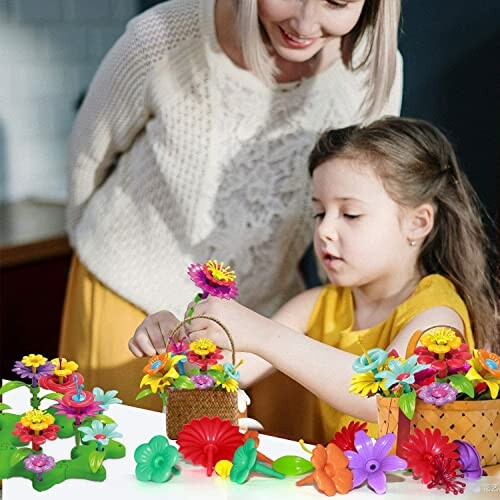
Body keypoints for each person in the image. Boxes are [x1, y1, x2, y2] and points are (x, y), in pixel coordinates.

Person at [61, 0, 403, 410]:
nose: (305, 22)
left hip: (269, 320)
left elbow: (361, 202)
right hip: (129, 301)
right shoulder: (164, 37)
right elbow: (88, 157)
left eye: (336, 2)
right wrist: (87, 241)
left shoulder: (373, 71)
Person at [129, 117, 499, 443]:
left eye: (350, 214)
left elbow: (385, 396)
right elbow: (230, 372)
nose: (324, 231)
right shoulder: (319, 304)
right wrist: (177, 341)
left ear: (417, 223)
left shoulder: (438, 314)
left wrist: (261, 333)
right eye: (319, 213)